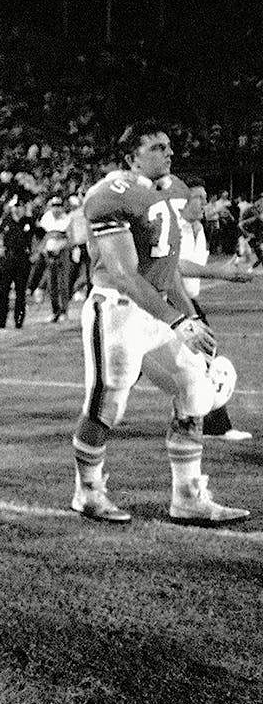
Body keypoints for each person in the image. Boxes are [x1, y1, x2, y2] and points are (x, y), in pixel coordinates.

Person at [70, 122, 248, 525]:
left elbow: (166, 268)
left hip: (158, 313)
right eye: (156, 147)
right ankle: (88, 492)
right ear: (132, 157)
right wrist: (179, 321)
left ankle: (187, 496)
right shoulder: (108, 196)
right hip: (117, 311)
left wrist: (190, 314)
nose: (168, 153)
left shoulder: (171, 188)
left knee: (194, 389)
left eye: (168, 146)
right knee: (106, 405)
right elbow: (124, 274)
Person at [166, 179, 254, 442]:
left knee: (205, 355)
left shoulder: (199, 228)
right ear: (183, 201)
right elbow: (176, 266)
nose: (205, 202)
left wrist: (237, 265)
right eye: (199, 198)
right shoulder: (172, 228)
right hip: (170, 302)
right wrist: (221, 273)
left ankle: (214, 424)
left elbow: (196, 266)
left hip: (188, 302)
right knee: (132, 363)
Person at [0, 196, 37, 329]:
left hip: (22, 258)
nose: (17, 209)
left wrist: (35, 253)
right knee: (3, 291)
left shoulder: (29, 221)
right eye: (15, 206)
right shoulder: (6, 221)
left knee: (20, 292)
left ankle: (19, 321)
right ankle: (1, 322)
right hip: (8, 257)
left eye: (20, 206)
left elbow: (41, 236)